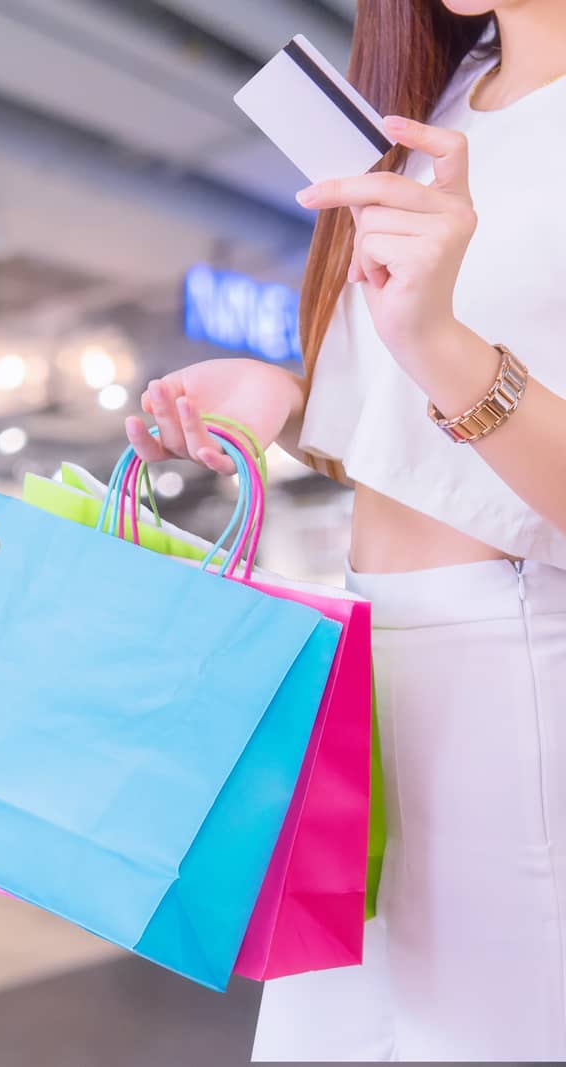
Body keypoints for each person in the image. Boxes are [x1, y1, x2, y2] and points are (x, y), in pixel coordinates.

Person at [128, 3, 565, 1059]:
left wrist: (439, 340)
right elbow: (415, 429)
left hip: (520, 674)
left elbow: (450, 367)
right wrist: (286, 395)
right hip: (363, 662)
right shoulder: (435, 106)